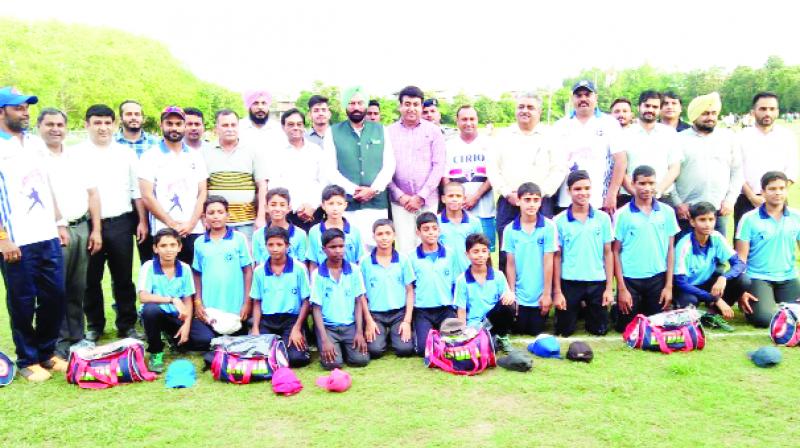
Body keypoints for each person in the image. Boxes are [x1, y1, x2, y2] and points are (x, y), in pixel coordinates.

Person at [0, 86, 67, 382]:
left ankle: (47, 353)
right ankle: (28, 358)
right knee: (23, 301)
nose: (25, 113)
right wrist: (3, 238)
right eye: (18, 108)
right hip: (16, 241)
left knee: (55, 295)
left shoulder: (35, 144)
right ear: (2, 111)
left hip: (46, 234)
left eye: (27, 107)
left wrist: (59, 222)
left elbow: (46, 185)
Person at [37, 108, 103, 357]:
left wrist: (96, 229)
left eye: (59, 124)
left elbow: (93, 193)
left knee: (78, 285)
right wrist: (57, 224)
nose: (55, 129)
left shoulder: (77, 157)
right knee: (55, 288)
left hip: (81, 227)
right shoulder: (35, 158)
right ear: (39, 127)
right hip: (52, 230)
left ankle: (76, 336)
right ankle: (55, 341)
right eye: (49, 124)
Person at [79, 104, 146, 342]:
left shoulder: (124, 153)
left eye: (108, 122)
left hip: (121, 221)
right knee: (90, 279)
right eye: (97, 122)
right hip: (87, 225)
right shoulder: (77, 153)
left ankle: (126, 325)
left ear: (115, 125)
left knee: (123, 277)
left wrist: (142, 221)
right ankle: (95, 325)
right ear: (87, 124)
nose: (103, 127)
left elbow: (135, 189)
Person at [487, 92, 564, 272]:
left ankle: (541, 296)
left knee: (541, 251)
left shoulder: (551, 137)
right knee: (508, 252)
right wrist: (507, 192)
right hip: (509, 201)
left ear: (540, 111)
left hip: (541, 202)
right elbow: (492, 168)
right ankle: (508, 296)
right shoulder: (502, 137)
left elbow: (559, 168)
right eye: (521, 107)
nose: (525, 111)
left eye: (530, 107)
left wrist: (539, 195)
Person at [323, 86, 396, 250]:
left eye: (360, 103)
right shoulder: (332, 132)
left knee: (377, 248)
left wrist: (374, 189)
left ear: (366, 105)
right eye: (351, 103)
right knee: (349, 248)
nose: (356, 107)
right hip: (347, 204)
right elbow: (330, 169)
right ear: (345, 106)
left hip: (376, 202)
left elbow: (389, 165)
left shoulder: (381, 130)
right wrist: (353, 190)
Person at [612, 165, 680, 332]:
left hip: (657, 278)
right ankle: (616, 307)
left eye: (651, 183)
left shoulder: (667, 212)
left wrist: (668, 286)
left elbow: (671, 250)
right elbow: (615, 251)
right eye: (642, 183)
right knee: (626, 328)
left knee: (655, 327)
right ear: (633, 184)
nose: (647, 188)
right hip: (630, 279)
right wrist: (621, 288)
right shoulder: (622, 214)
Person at [139, 106, 208, 264]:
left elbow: (202, 192)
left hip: (194, 229)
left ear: (184, 126)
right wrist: (171, 223)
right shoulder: (149, 157)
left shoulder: (195, 156)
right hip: (164, 231)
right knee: (166, 279)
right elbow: (147, 196)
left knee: (194, 279)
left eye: (178, 124)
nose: (174, 128)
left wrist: (191, 223)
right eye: (169, 123)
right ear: (161, 125)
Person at [673, 92, 743, 239]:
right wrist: (678, 203)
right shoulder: (678, 140)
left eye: (713, 113)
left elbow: (737, 171)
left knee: (718, 256)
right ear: (694, 116)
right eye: (705, 113)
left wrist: (730, 200)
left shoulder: (728, 138)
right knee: (685, 255)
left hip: (719, 209)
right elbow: (669, 175)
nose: (710, 117)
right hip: (687, 211)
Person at [553, 170, 614, 337]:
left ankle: (589, 311)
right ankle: (575, 310)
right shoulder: (559, 221)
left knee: (599, 330)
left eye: (587, 188)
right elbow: (557, 257)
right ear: (569, 191)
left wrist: (609, 288)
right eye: (577, 189)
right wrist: (558, 291)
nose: (583, 193)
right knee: (563, 331)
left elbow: (608, 253)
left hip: (597, 281)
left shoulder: (603, 218)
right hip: (570, 281)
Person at [736, 171, 800, 328]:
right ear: (763, 192)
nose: (778, 192)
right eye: (772, 189)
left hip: (788, 277)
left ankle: (778, 304)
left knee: (796, 319)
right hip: (758, 278)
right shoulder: (749, 219)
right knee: (765, 319)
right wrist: (741, 291)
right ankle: (765, 305)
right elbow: (740, 259)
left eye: (781, 188)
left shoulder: (796, 216)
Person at [139, 228, 208, 373]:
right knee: (150, 310)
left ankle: (174, 340)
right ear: (155, 249)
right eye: (163, 246)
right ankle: (156, 352)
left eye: (172, 245)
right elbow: (143, 297)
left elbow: (188, 300)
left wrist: (187, 326)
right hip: (157, 315)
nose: (168, 250)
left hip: (178, 316)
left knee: (205, 339)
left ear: (179, 247)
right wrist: (172, 300)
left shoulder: (185, 268)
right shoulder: (149, 267)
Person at [552, 80, 626, 215]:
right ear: (572, 98)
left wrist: (612, 193)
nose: (583, 99)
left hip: (599, 200)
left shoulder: (610, 123)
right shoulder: (560, 125)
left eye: (587, 95)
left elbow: (621, 161)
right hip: (565, 200)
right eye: (579, 95)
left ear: (596, 98)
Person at [387, 86, 446, 253]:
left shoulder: (434, 132)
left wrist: (421, 196)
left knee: (429, 245)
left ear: (421, 107)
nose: (411, 108)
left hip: (428, 200)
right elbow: (385, 168)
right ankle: (409, 281)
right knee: (406, 248)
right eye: (407, 104)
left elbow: (438, 165)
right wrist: (401, 196)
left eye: (416, 104)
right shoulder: (389, 132)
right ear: (400, 106)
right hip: (400, 202)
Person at [674, 201, 744, 332]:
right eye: (702, 220)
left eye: (711, 219)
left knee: (742, 280)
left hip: (707, 283)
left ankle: (714, 313)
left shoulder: (716, 237)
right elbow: (680, 283)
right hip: (688, 288)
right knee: (689, 303)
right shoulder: (684, 245)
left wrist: (724, 277)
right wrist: (715, 298)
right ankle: (705, 311)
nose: (707, 224)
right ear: (692, 222)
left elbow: (739, 263)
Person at [191, 196, 253, 339]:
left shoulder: (239, 239)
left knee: (237, 336)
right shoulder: (199, 242)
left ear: (227, 215)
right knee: (206, 340)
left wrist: (246, 302)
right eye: (211, 213)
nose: (216, 216)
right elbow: (197, 274)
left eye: (220, 212)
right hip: (210, 308)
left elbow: (248, 271)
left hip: (235, 307)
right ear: (204, 217)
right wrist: (198, 301)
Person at [250, 226, 312, 367]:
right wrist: (255, 328)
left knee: (297, 359)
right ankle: (275, 347)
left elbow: (306, 301)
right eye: (270, 245)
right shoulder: (259, 271)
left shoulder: (299, 269)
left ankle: (294, 342)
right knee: (258, 356)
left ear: (287, 246)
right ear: (265, 246)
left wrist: (297, 328)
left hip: (291, 320)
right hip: (267, 320)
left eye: (279, 244)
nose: (275, 248)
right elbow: (257, 302)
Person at [735, 92, 799, 229]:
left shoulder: (786, 136)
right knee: (745, 246)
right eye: (763, 109)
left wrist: (776, 193)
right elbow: (736, 170)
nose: (767, 113)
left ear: (777, 111)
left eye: (772, 109)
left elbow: (792, 169)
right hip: (747, 200)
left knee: (778, 242)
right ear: (753, 112)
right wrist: (752, 197)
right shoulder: (741, 137)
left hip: (778, 199)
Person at [502, 182, 558, 337]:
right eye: (527, 199)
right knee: (518, 328)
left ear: (541, 202)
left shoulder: (549, 226)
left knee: (535, 331)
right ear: (518, 201)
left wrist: (547, 294)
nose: (531, 204)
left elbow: (549, 262)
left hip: (539, 295)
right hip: (520, 295)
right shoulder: (509, 230)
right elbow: (510, 264)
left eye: (535, 200)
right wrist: (512, 294)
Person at [203, 109, 268, 241]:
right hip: (217, 223)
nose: (230, 129)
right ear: (216, 128)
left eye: (233, 125)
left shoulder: (252, 151)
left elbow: (262, 186)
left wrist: (261, 216)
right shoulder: (206, 152)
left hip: (246, 222)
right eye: (225, 125)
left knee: (247, 260)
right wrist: (204, 218)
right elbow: (202, 189)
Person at [310, 228, 370, 370]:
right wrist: (324, 339)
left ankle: (345, 349)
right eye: (332, 247)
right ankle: (332, 347)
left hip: (350, 326)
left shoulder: (354, 270)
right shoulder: (317, 274)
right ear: (324, 249)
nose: (338, 250)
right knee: (332, 364)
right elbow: (316, 309)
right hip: (328, 327)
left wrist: (359, 332)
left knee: (361, 360)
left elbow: (358, 302)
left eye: (341, 246)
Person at [359, 219, 415, 359]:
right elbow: (361, 295)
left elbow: (409, 291)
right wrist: (369, 320)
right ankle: (383, 335)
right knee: (375, 351)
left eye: (388, 233)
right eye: (380, 234)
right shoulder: (365, 262)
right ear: (374, 237)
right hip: (375, 314)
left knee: (405, 350)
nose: (384, 237)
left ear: (394, 235)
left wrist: (407, 321)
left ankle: (394, 335)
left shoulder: (403, 259)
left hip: (399, 314)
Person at [444, 105, 496, 250]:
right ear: (457, 121)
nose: (468, 123)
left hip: (484, 211)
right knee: (458, 251)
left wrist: (475, 196)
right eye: (464, 119)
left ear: (477, 120)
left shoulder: (489, 144)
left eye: (472, 119)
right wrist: (458, 199)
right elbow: (445, 177)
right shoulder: (449, 146)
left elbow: (493, 176)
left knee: (483, 253)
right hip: (457, 213)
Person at [619, 90, 681, 207]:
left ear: (659, 109)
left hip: (662, 198)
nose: (650, 110)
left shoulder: (669, 134)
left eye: (655, 107)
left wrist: (659, 190)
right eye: (647, 106)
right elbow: (621, 170)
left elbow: (674, 168)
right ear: (639, 107)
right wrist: (636, 193)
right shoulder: (624, 134)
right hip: (630, 197)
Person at [455, 233, 516, 352]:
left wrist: (510, 294)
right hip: (474, 326)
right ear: (467, 254)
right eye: (476, 251)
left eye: (484, 251)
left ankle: (502, 337)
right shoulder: (462, 280)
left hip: (493, 321)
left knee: (509, 304)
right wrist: (463, 334)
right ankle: (492, 340)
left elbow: (506, 296)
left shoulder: (498, 276)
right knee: (487, 348)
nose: (480, 255)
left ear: (488, 253)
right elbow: (461, 310)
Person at [409, 212, 459, 355]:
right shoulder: (411, 257)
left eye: (434, 228)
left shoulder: (450, 254)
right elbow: (410, 288)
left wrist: (456, 309)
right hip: (422, 311)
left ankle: (440, 336)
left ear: (439, 230)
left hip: (446, 309)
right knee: (424, 350)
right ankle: (426, 333)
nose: (431, 232)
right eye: (426, 229)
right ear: (418, 232)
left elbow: (456, 283)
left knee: (454, 344)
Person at [270, 108, 326, 232]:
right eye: (290, 124)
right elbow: (274, 185)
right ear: (283, 127)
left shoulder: (315, 150)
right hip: (286, 214)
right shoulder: (275, 152)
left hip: (314, 212)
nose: (295, 128)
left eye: (299, 124)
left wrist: (312, 206)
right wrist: (295, 208)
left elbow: (323, 181)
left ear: (304, 126)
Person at [307, 185, 364, 271]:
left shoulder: (354, 231)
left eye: (339, 204)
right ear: (323, 205)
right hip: (323, 280)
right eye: (331, 204)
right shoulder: (314, 231)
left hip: (349, 279)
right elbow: (313, 262)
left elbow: (358, 261)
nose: (335, 208)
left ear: (345, 205)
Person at [252, 187, 309, 265]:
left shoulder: (300, 234)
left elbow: (302, 264)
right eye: (273, 205)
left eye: (282, 205)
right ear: (266, 208)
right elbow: (257, 264)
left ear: (289, 208)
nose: (277, 209)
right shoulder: (258, 235)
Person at [438, 182, 483, 273]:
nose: (454, 199)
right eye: (451, 196)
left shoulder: (474, 222)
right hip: (444, 276)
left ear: (464, 199)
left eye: (458, 196)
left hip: (468, 275)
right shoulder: (435, 222)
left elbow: (481, 250)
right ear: (443, 199)